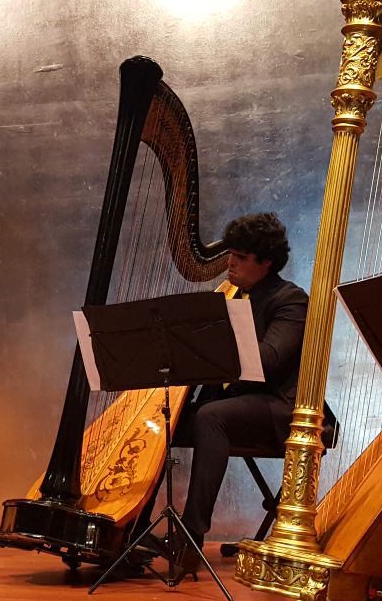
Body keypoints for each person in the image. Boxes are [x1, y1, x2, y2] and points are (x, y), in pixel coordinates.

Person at [140, 213, 335, 579]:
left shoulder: (290, 301)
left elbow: (269, 361)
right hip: (242, 406)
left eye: (241, 257)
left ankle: (191, 537)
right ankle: (132, 529)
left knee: (211, 416)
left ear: (266, 262)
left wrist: (216, 342)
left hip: (284, 410)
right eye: (230, 254)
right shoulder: (233, 299)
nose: (230, 263)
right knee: (165, 420)